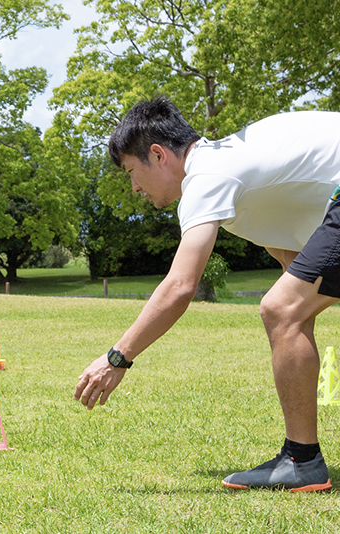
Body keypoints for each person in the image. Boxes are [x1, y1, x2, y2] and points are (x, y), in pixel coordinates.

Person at [74, 97, 340, 492]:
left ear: (158, 154)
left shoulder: (206, 176)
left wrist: (118, 358)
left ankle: (302, 462)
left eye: (132, 171)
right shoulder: (238, 173)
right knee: (290, 308)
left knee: (280, 309)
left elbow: (181, 285)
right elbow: (297, 262)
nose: (133, 187)